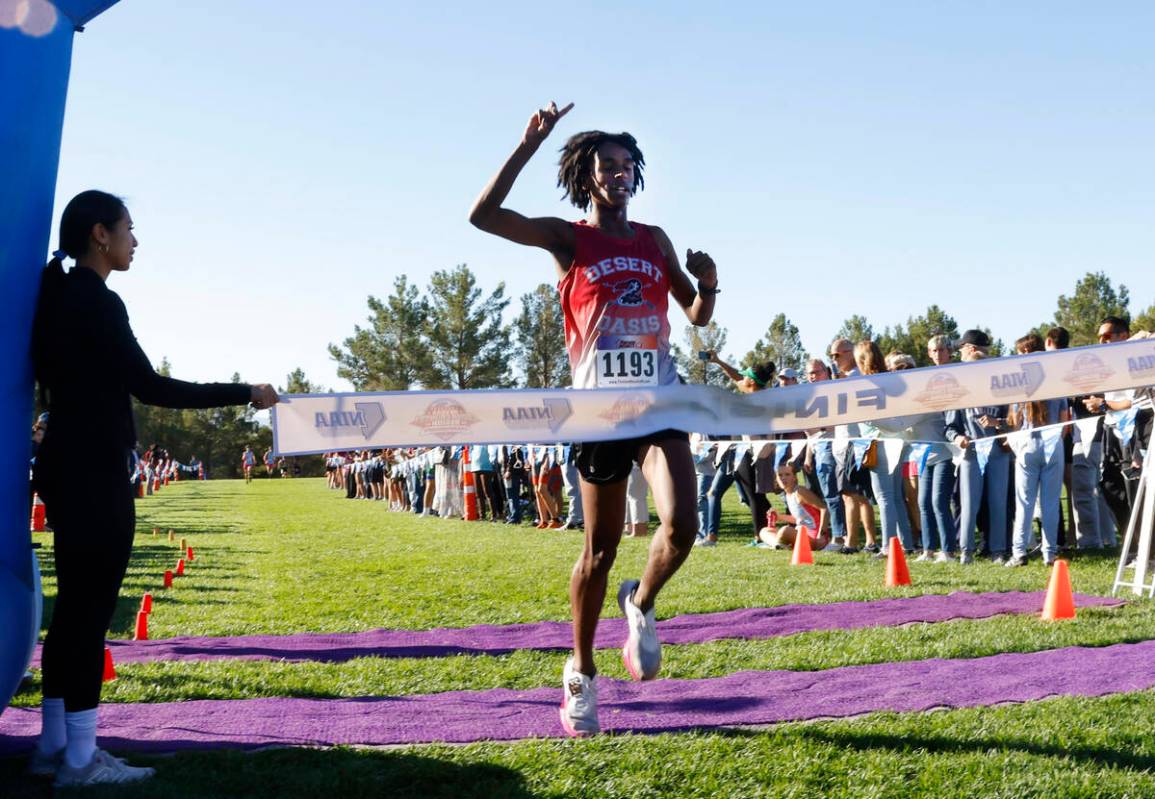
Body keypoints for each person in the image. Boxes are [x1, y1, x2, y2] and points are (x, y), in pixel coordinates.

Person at [469, 102, 718, 736]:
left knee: (683, 526)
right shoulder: (568, 239)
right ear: (588, 176)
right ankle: (580, 673)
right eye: (606, 165)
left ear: (636, 175)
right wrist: (530, 143)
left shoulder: (654, 240)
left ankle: (641, 603)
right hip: (598, 414)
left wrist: (708, 286)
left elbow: (695, 316)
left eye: (626, 164)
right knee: (599, 551)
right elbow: (484, 217)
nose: (618, 172)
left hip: (658, 404)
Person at [29, 190, 278, 787]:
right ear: (99, 235)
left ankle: (53, 746)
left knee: (69, 614)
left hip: (61, 463)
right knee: (89, 616)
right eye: (129, 230)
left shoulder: (53, 295)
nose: (135, 241)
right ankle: (82, 762)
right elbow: (151, 387)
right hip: (94, 468)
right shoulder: (97, 300)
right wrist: (243, 392)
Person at [758, 463, 831, 551]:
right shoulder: (788, 494)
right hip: (800, 533)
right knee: (764, 531)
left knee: (785, 531)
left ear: (794, 477)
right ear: (776, 479)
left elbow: (824, 509)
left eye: (787, 474)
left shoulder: (800, 492)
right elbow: (799, 519)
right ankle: (779, 544)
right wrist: (779, 516)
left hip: (814, 537)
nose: (783, 478)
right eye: (780, 475)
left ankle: (781, 544)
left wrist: (821, 535)